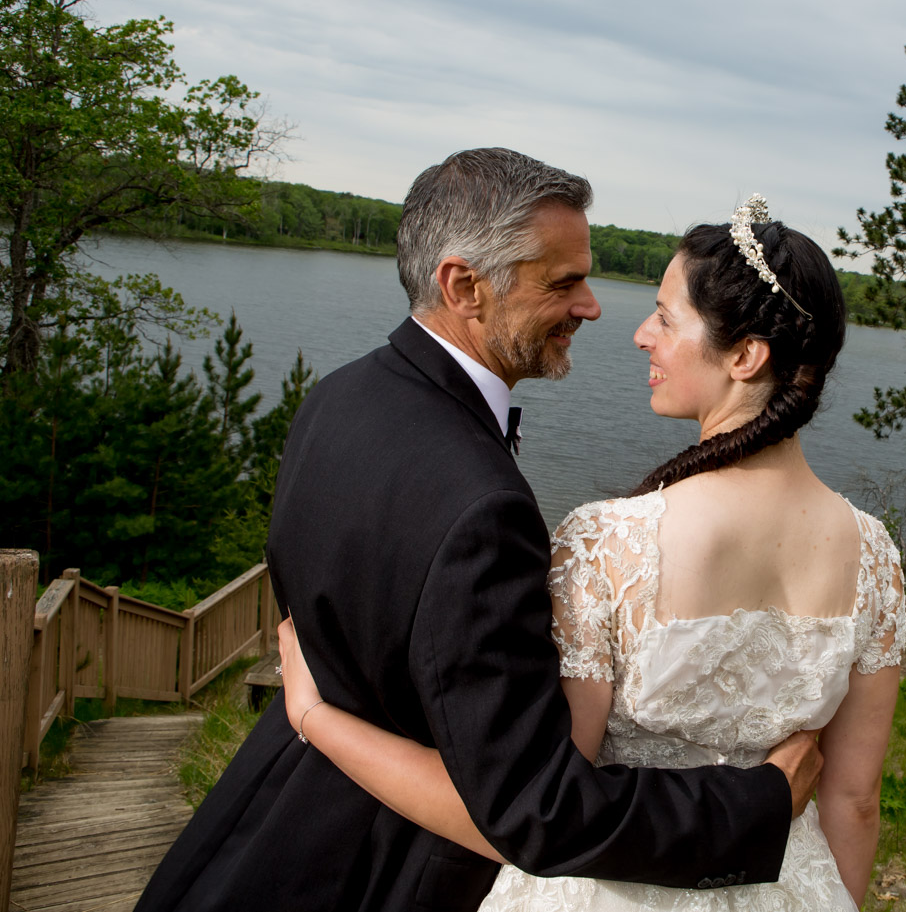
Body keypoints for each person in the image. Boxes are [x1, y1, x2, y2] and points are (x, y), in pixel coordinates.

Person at [135, 151, 822, 912]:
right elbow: (538, 809)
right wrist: (754, 806)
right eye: (562, 282)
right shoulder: (483, 509)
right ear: (465, 286)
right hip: (377, 865)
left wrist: (313, 717)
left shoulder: (341, 394)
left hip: (258, 816)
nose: (591, 306)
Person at [274, 194, 906, 911]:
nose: (640, 334)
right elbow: (856, 800)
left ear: (745, 356)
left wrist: (317, 719)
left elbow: (529, 813)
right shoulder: (873, 555)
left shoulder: (611, 543)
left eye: (666, 318)